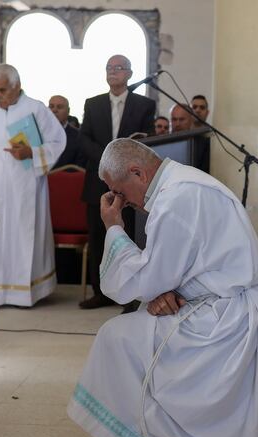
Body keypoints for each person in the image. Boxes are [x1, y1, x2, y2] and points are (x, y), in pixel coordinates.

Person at [66, 138, 258, 437]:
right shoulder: (184, 182)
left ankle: (158, 435)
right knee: (134, 330)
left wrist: (114, 227)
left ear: (138, 173)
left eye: (119, 191)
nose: (120, 201)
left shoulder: (175, 199)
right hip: (223, 303)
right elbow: (166, 272)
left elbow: (145, 280)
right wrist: (162, 290)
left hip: (225, 319)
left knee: (116, 336)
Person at [0, 63, 66, 307]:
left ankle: (25, 291)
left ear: (16, 86)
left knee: (22, 230)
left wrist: (32, 152)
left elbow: (59, 140)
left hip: (25, 181)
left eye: (2, 90)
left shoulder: (36, 108)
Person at [78, 54, 156, 309]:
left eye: (119, 68)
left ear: (130, 74)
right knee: (100, 235)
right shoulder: (93, 103)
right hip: (98, 180)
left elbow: (148, 140)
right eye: (110, 68)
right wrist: (109, 162)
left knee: (131, 235)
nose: (113, 72)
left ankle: (131, 296)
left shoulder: (144, 105)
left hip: (131, 183)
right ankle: (100, 292)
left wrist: (123, 166)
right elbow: (84, 139)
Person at [49, 95, 86, 169]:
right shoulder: (38, 132)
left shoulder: (79, 137)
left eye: (59, 107)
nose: (54, 110)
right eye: (51, 106)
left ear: (68, 111)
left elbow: (79, 169)